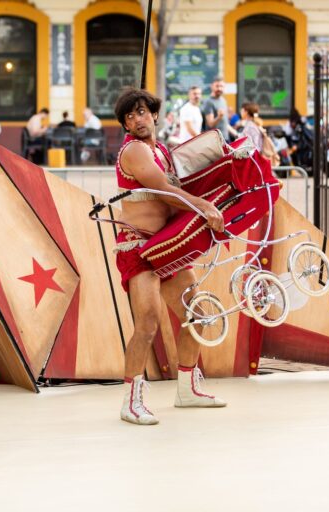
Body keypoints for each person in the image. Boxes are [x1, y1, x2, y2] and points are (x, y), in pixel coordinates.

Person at [112, 87, 227, 426]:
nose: (138, 119)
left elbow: (181, 183)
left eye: (142, 111)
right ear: (125, 125)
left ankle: (188, 389)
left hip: (168, 245)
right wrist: (204, 206)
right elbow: (163, 188)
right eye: (130, 116)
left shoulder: (160, 149)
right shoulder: (133, 151)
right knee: (148, 322)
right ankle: (130, 402)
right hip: (138, 247)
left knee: (198, 314)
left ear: (155, 115)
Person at [202, 76, 238, 141]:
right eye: (217, 86)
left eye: (221, 86)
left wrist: (236, 134)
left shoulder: (223, 100)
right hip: (215, 141)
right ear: (212, 86)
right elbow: (210, 124)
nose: (219, 88)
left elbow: (224, 123)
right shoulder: (209, 102)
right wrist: (219, 117)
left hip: (225, 138)